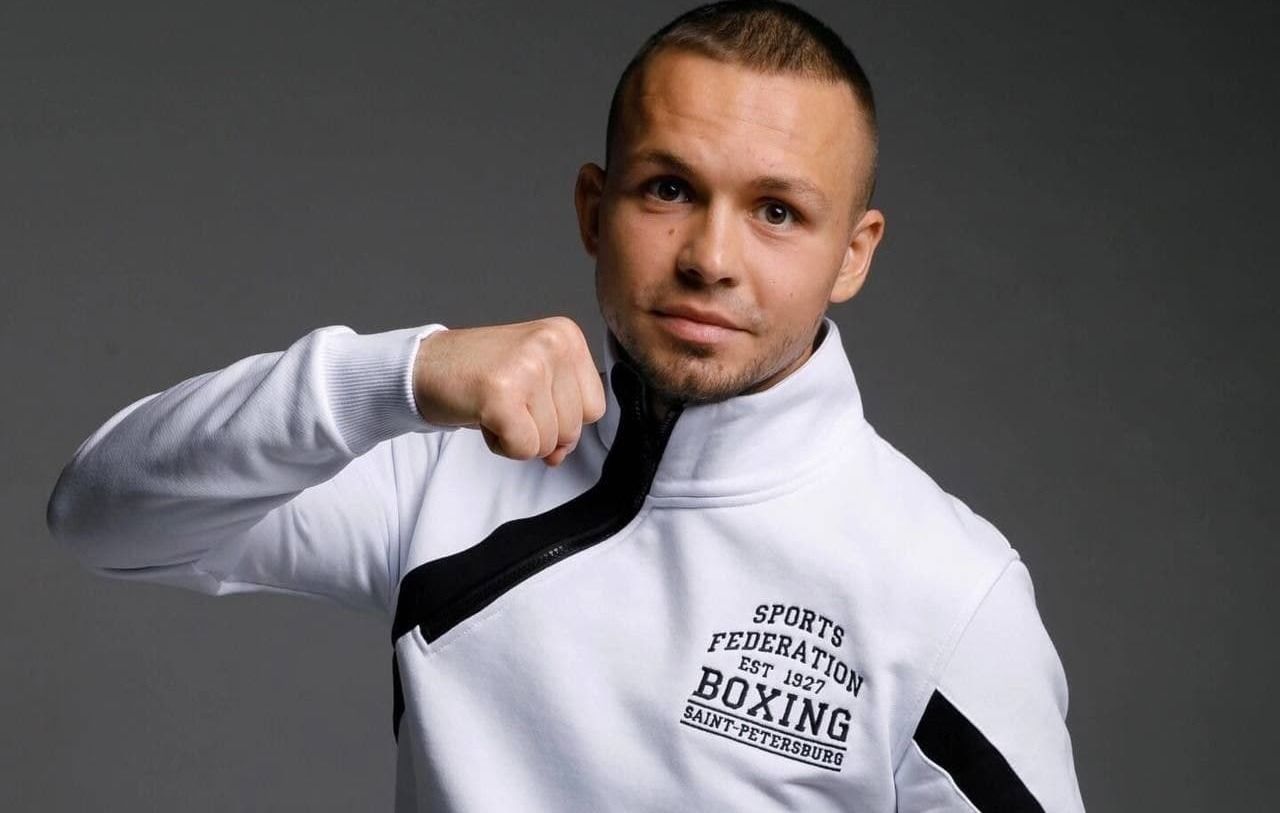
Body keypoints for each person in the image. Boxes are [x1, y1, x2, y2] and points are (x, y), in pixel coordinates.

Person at [45, 1, 1085, 810]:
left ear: (851, 254)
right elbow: (100, 515)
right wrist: (399, 374)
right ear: (595, 209)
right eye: (668, 189)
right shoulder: (443, 465)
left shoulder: (949, 592)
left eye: (776, 210)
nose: (710, 259)